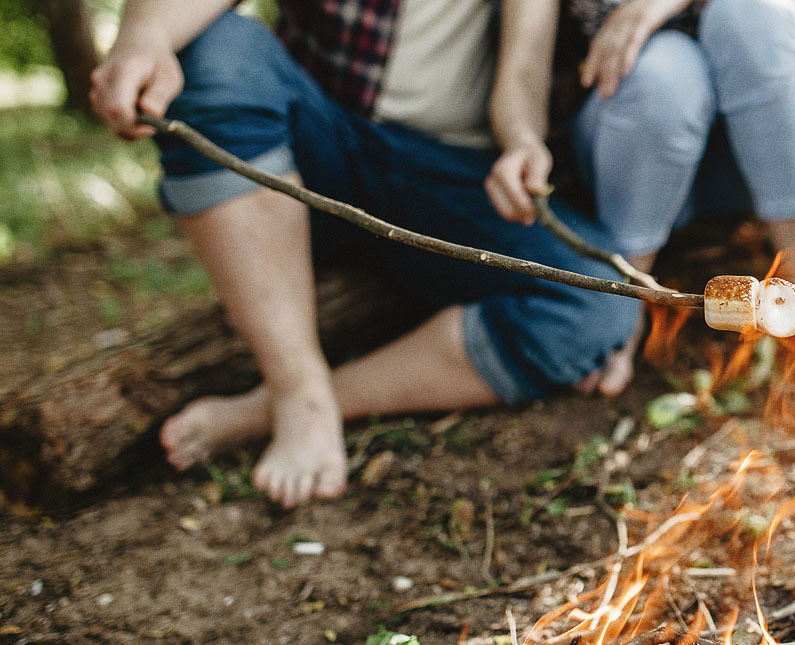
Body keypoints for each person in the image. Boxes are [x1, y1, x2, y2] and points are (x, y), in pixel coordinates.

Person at [90, 0, 640, 508]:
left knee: (599, 300)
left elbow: (522, 71)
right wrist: (145, 35)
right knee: (215, 47)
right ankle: (295, 388)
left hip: (452, 180)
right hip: (319, 145)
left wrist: (522, 141)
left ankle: (278, 408)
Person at [486, 0, 795, 395]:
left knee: (754, 11)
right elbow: (521, 71)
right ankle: (625, 301)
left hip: (756, 155)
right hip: (624, 164)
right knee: (666, 73)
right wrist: (522, 140)